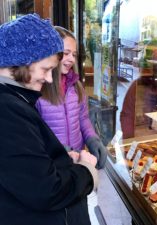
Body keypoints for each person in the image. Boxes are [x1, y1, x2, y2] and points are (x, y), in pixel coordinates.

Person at [0, 14, 98, 225]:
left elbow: (25, 164)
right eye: (46, 69)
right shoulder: (7, 108)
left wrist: (60, 158)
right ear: (23, 60)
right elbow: (45, 190)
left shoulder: (15, 98)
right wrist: (86, 173)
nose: (48, 78)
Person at [36, 26, 107, 169]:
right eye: (66, 53)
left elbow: (83, 119)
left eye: (74, 55)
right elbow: (35, 135)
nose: (71, 59)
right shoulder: (38, 89)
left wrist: (92, 139)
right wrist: (60, 149)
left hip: (79, 159)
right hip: (53, 163)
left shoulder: (76, 86)